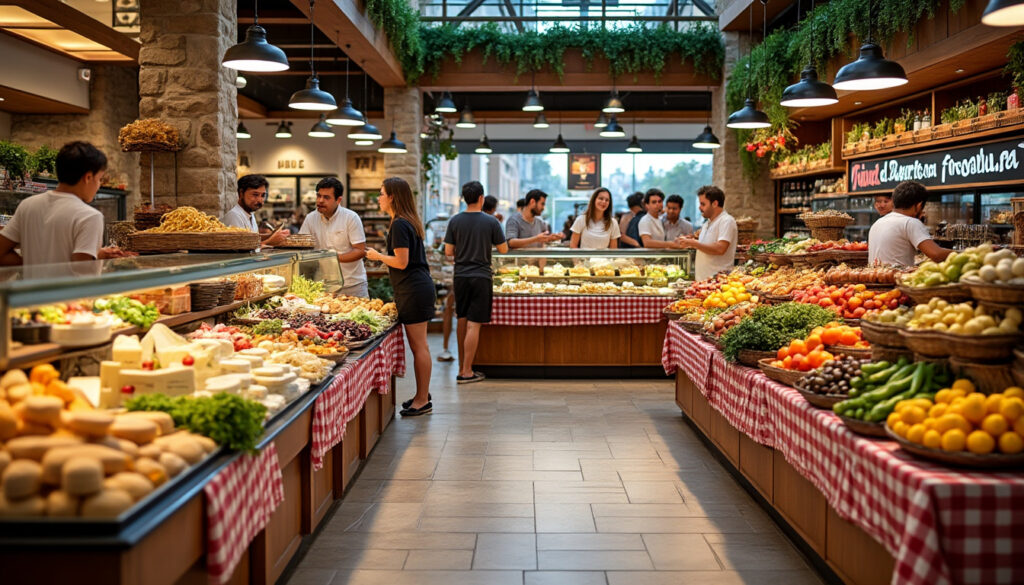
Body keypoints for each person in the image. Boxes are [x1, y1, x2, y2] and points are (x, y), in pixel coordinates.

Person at [0, 141, 135, 265]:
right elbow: (82, 272)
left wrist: (34, 265)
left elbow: (1, 254)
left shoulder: (27, 205)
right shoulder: (90, 216)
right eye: (99, 179)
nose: (99, 185)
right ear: (88, 177)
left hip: (33, 285)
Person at [365, 178, 435, 416]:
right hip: (415, 288)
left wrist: (377, 256)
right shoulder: (406, 221)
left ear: (392, 196)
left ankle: (422, 400)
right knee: (420, 346)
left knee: (419, 346)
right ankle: (421, 394)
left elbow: (401, 262)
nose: (378, 198)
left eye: (381, 193)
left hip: (413, 290)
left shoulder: (399, 225)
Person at [444, 181, 509, 385]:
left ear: (464, 198)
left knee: (461, 320)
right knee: (474, 325)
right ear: (481, 198)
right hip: (481, 276)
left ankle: (461, 366)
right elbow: (504, 249)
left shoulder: (454, 221)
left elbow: (448, 252)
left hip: (460, 276)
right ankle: (466, 371)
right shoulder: (491, 222)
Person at [299, 177, 368, 297]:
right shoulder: (310, 218)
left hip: (352, 285)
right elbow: (302, 246)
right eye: (319, 196)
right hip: (323, 285)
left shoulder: (351, 218)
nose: (320, 200)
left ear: (338, 200)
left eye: (326, 197)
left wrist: (331, 258)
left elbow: (360, 251)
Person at [868, 181, 951, 267]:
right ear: (919, 205)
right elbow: (936, 254)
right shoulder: (910, 222)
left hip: (873, 273)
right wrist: (960, 253)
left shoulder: (877, 223)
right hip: (898, 275)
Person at [679, 185, 738, 280]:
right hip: (703, 280)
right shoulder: (707, 223)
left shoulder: (727, 221)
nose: (699, 207)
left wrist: (694, 243)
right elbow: (705, 245)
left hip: (718, 280)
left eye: (703, 204)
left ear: (714, 204)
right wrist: (691, 241)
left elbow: (720, 248)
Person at [224, 174, 288, 247]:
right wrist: (270, 241)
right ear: (241, 193)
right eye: (255, 195)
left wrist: (271, 235)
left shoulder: (249, 212)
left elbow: (252, 238)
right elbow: (241, 249)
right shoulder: (234, 216)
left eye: (263, 195)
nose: (260, 200)